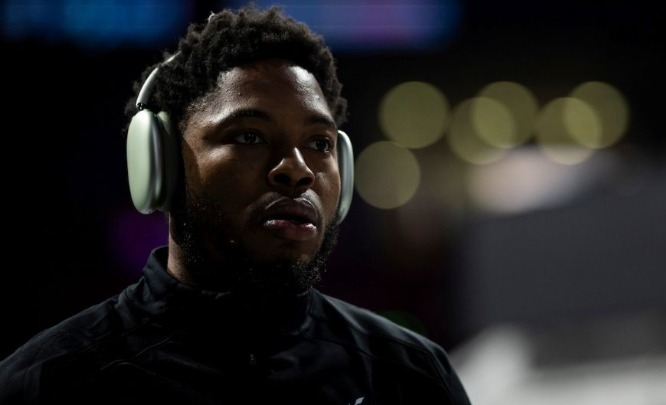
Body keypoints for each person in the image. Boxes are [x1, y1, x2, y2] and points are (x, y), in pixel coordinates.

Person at [0, 4, 471, 404]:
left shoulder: (410, 376)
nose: (298, 170)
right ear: (162, 164)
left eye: (319, 144)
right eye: (249, 136)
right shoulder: (47, 382)